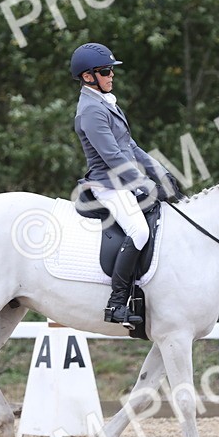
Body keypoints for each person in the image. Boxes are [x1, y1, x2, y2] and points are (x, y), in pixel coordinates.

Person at [71, 42, 184, 328]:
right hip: (107, 185)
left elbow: (130, 147)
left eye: (111, 71)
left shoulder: (105, 103)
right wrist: (144, 184)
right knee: (139, 231)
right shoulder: (91, 111)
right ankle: (117, 302)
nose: (112, 76)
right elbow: (112, 156)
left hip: (121, 181)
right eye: (106, 71)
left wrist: (161, 172)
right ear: (88, 77)